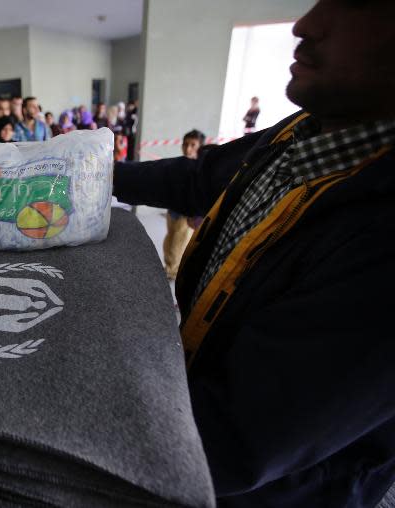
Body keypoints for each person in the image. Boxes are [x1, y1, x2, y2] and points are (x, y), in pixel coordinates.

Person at [113, 1, 395, 505]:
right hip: (187, 403)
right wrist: (86, 171)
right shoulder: (299, 133)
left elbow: (235, 440)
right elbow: (198, 178)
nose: (305, 26)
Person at [162, 129, 205, 281]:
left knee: (177, 244)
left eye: (193, 145)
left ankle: (172, 271)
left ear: (200, 147)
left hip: (187, 214)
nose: (188, 149)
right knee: (169, 239)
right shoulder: (179, 164)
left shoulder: (202, 168)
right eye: (185, 144)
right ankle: (169, 266)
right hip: (173, 210)